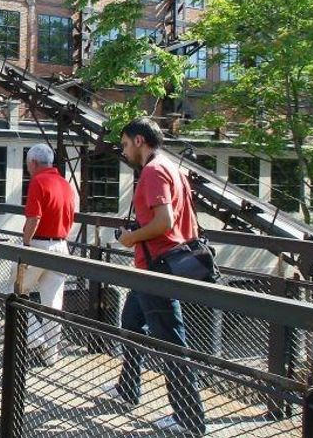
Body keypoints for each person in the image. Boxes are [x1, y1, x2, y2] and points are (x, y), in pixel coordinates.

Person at [106, 117, 207, 436]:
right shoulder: (173, 168)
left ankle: (190, 418)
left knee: (171, 340)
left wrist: (130, 238)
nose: (124, 151)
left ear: (139, 140)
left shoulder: (153, 171)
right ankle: (127, 388)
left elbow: (164, 221)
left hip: (157, 267)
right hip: (158, 264)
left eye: (125, 144)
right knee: (131, 321)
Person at [15, 143, 77, 366]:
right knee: (53, 302)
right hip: (61, 245)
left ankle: (35, 337)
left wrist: (25, 244)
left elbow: (34, 218)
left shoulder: (38, 182)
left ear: (33, 163)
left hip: (39, 244)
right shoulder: (65, 184)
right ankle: (52, 354)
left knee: (15, 291)